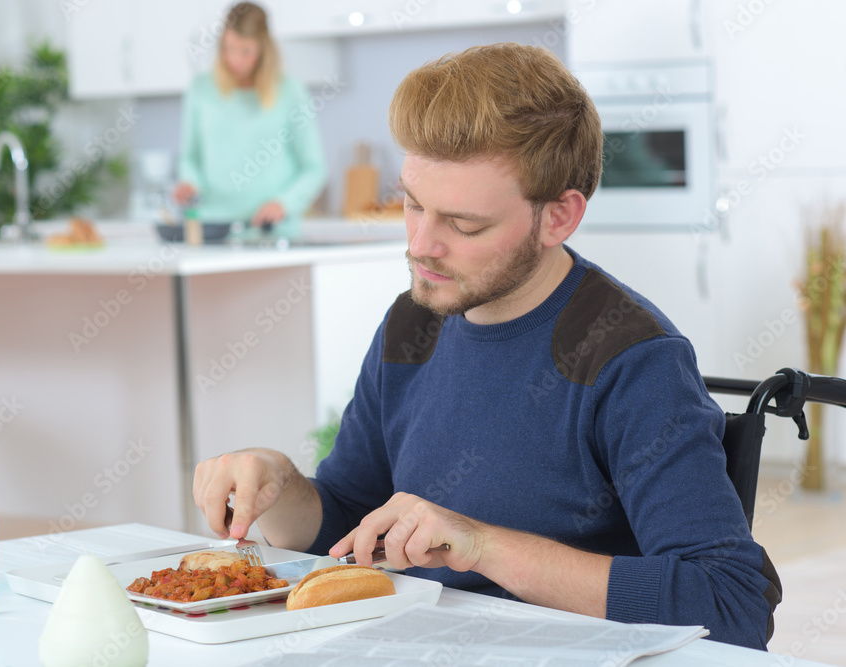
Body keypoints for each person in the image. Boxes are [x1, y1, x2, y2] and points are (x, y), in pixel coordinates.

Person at [192, 43, 781, 650]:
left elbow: (732, 603)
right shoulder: (412, 323)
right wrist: (281, 487)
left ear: (558, 218)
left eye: (464, 225)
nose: (421, 245)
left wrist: (483, 547)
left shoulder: (632, 360)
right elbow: (346, 523)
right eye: (412, 204)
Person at [174, 2, 326, 236]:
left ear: (263, 49)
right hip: (214, 231)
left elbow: (314, 167)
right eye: (229, 48)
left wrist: (284, 203)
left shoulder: (290, 91)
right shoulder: (200, 89)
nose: (235, 59)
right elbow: (189, 157)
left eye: (245, 51)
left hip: (272, 231)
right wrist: (189, 184)